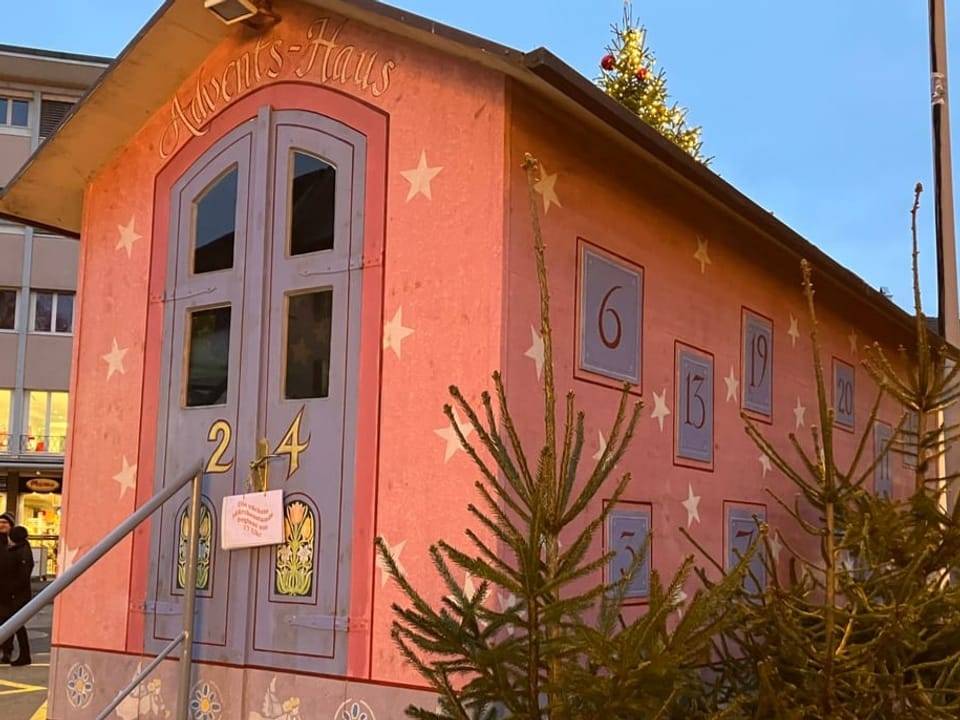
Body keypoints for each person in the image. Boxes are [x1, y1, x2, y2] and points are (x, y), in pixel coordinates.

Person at [6, 525, 33, 666]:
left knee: (17, 624)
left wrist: (11, 589)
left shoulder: (22, 552)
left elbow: (23, 576)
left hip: (18, 595)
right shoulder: (20, 550)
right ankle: (18, 653)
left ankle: (25, 654)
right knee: (14, 624)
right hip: (15, 594)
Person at [0, 511, 15, 664]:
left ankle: (7, 651)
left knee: (8, 621)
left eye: (5, 523)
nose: (1, 525)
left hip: (9, 591)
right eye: (0, 523)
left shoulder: (14, 543)